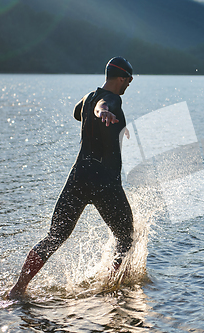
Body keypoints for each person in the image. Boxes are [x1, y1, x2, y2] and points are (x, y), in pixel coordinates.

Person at [8, 57, 135, 299]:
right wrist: (105, 114)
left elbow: (80, 112)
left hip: (78, 176)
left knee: (54, 237)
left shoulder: (88, 97)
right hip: (103, 180)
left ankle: (17, 289)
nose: (129, 84)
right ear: (121, 78)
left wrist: (112, 126)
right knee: (126, 237)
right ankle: (112, 291)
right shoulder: (111, 100)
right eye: (129, 80)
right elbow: (102, 107)